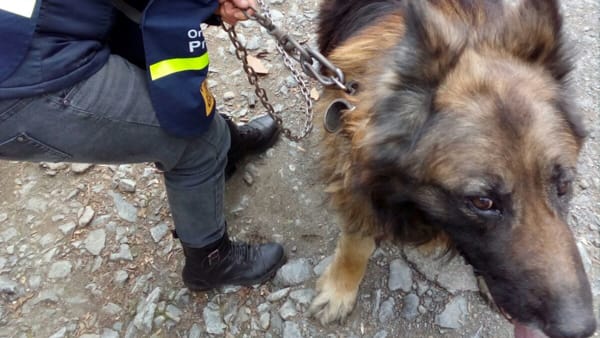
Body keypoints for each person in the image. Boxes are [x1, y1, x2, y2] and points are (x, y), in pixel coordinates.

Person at [0, 0, 286, 291]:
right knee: (196, 139)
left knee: (175, 87)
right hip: (25, 76)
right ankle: (210, 261)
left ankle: (228, 150)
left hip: (43, 25)